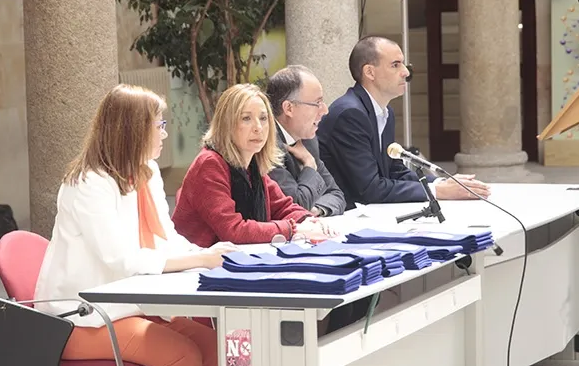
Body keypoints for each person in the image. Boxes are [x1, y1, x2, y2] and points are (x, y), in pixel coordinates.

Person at [33, 84, 233, 366]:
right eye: (159, 125)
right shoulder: (88, 183)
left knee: (211, 346)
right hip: (82, 319)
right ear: (133, 130)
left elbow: (165, 238)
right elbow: (120, 258)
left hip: (127, 310)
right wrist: (199, 260)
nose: (164, 134)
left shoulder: (146, 173)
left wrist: (209, 253)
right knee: (182, 357)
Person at [317, 36, 490, 209]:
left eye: (403, 64)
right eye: (395, 65)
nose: (406, 72)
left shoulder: (385, 112)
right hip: (340, 216)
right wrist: (439, 191)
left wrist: (442, 182)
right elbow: (370, 189)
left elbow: (394, 171)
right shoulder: (350, 114)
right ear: (370, 72)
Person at [172, 83, 336, 246]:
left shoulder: (252, 163)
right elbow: (233, 230)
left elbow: (282, 207)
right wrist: (293, 229)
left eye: (263, 118)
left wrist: (309, 221)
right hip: (198, 260)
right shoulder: (209, 164)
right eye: (246, 118)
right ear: (226, 124)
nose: (258, 127)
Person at [264, 65, 346, 217]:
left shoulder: (308, 140)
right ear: (289, 108)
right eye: (317, 103)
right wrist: (309, 165)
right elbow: (295, 205)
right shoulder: (266, 144)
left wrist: (316, 209)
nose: (325, 110)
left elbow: (336, 194)